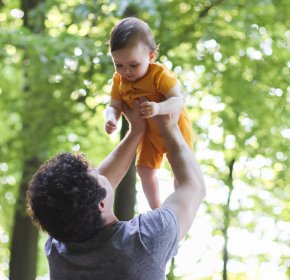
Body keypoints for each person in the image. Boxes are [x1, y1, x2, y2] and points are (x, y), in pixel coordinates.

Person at [27, 101, 205, 280]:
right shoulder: (144, 241)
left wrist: (136, 131)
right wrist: (169, 126)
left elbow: (85, 198)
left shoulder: (59, 247)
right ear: (101, 204)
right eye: (96, 173)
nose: (100, 171)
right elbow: (194, 186)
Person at [104, 17, 194, 209]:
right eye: (118, 64)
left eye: (133, 65)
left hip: (175, 129)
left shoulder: (159, 74)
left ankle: (181, 206)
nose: (125, 71)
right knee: (144, 169)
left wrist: (158, 108)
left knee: (180, 169)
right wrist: (111, 118)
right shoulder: (119, 81)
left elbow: (178, 100)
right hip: (148, 135)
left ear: (151, 56)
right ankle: (157, 209)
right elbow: (114, 105)